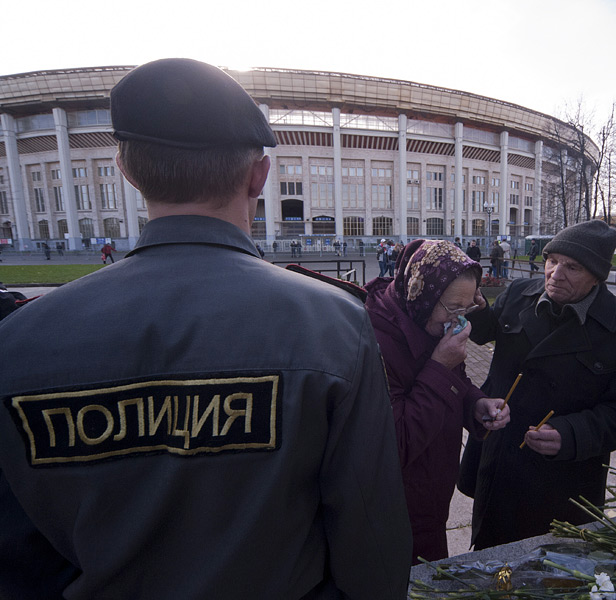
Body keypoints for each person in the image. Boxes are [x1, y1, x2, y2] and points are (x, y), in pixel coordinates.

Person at [0, 58, 411, 600]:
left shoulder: (21, 340)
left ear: (125, 168)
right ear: (258, 175)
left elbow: (18, 555)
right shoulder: (331, 324)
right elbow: (369, 528)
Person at [460, 219, 616, 550]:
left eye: (572, 267)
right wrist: (478, 309)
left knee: (549, 569)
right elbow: (486, 333)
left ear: (596, 275)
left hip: (562, 479)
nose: (555, 273)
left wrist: (571, 433)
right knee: (488, 554)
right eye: (552, 261)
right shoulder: (518, 293)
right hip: (500, 460)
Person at [364, 239, 510, 564]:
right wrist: (440, 365)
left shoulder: (427, 322)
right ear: (422, 294)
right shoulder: (376, 339)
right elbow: (395, 442)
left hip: (431, 498)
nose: (458, 321)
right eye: (453, 309)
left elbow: (455, 382)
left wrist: (475, 404)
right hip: (393, 511)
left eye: (466, 309)